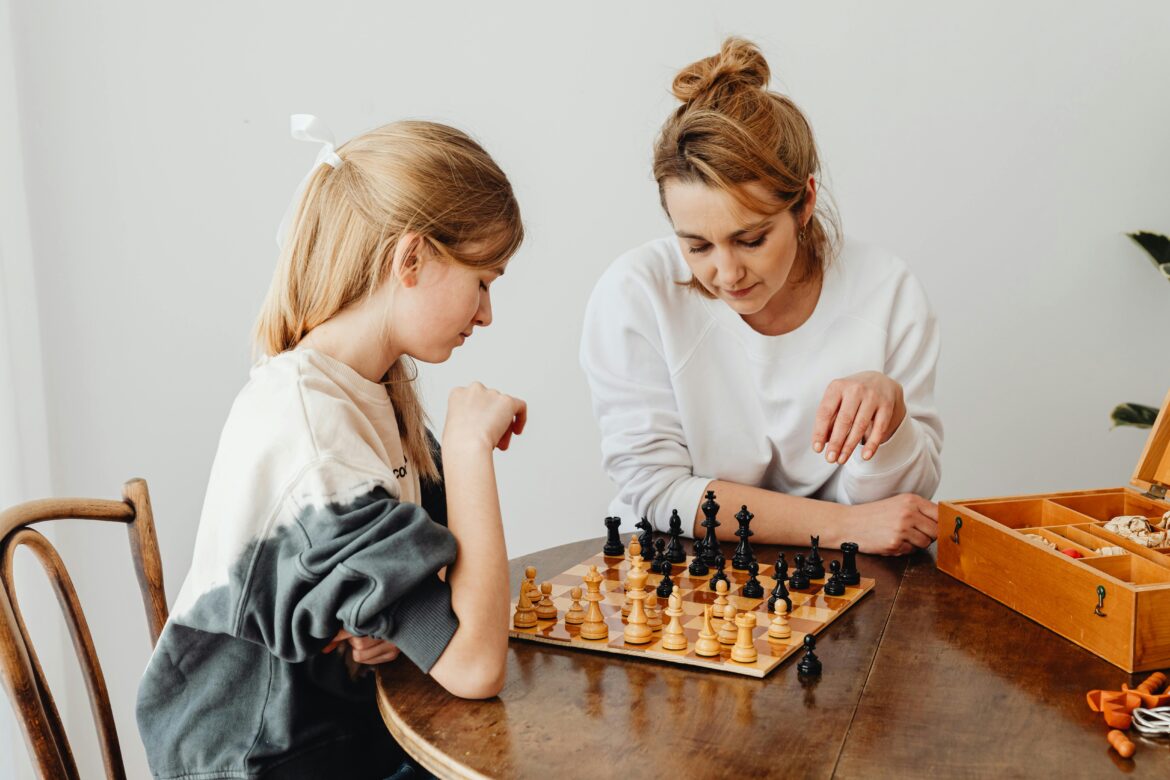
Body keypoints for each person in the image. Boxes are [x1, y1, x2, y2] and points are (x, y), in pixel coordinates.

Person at [137, 116, 527, 779]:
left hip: (340, 732)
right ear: (410, 259)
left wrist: (366, 631)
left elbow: (440, 591)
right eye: (482, 280)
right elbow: (475, 663)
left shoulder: (368, 388)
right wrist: (467, 451)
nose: (486, 313)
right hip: (261, 762)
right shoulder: (317, 442)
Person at [580, 39, 941, 556]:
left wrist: (890, 420)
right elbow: (656, 490)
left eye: (751, 240)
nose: (726, 274)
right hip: (680, 570)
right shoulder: (635, 293)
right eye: (697, 245)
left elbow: (897, 514)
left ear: (805, 202)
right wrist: (841, 526)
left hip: (849, 577)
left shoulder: (888, 292)